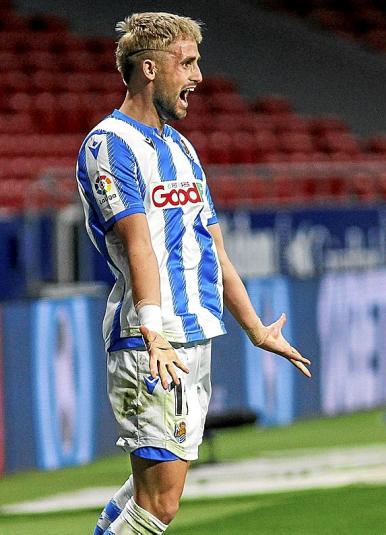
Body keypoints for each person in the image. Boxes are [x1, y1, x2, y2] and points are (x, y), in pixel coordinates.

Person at [75, 12, 311, 535]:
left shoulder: (182, 149)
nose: (198, 76)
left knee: (152, 491)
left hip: (194, 337)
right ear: (150, 69)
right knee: (160, 504)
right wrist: (155, 334)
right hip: (152, 343)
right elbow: (139, 246)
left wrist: (254, 328)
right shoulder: (109, 145)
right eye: (187, 63)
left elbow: (213, 249)